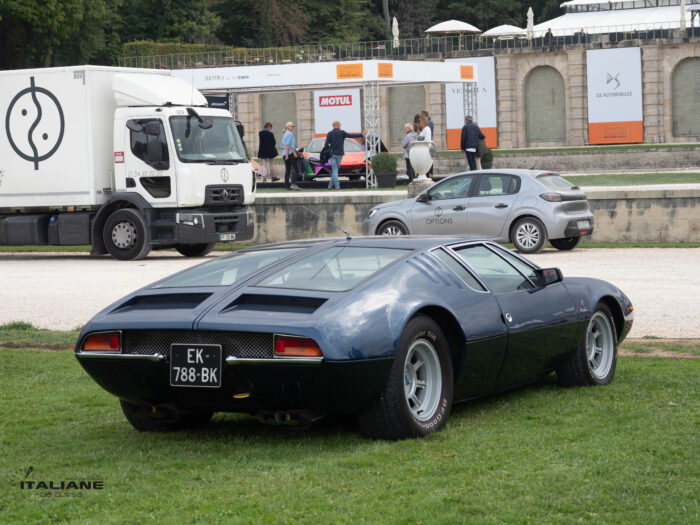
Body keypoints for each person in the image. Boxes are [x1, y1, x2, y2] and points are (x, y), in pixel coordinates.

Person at [322, 120, 364, 190]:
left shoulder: (329, 133)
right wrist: (362, 135)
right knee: (335, 170)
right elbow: (352, 135)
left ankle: (330, 186)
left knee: (335, 170)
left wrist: (328, 151)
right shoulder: (342, 133)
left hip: (332, 154)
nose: (340, 126)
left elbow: (326, 145)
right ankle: (337, 186)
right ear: (337, 125)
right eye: (340, 124)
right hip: (340, 154)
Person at [280, 122, 300, 190]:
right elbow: (288, 145)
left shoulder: (285, 134)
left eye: (293, 126)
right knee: (296, 169)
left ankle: (286, 185)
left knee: (288, 170)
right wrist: (288, 155)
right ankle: (293, 183)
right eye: (292, 126)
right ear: (288, 127)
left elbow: (282, 145)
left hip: (285, 154)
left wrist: (286, 153)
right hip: (289, 154)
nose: (293, 127)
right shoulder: (290, 134)